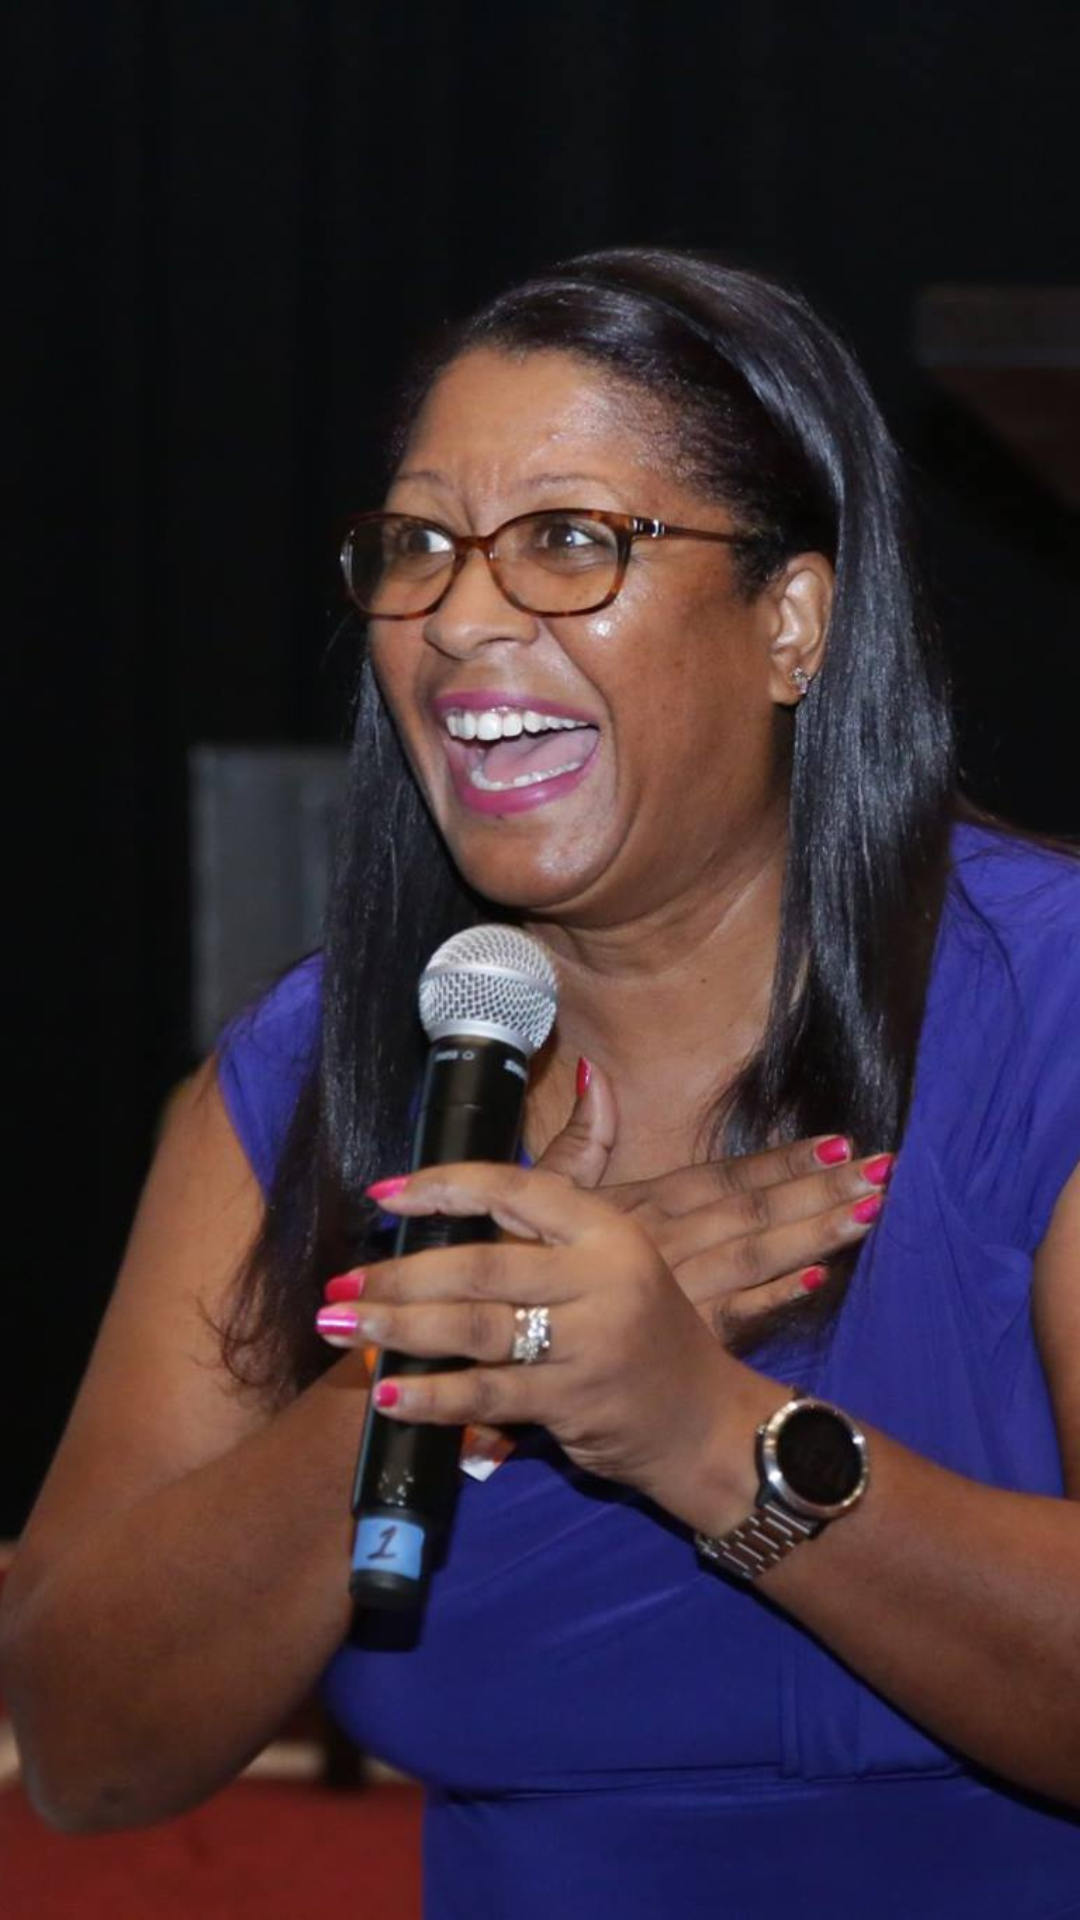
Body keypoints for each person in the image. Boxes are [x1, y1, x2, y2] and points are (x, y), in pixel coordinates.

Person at [4, 246, 1080, 1919]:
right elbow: (85, 1750)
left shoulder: (1055, 1010)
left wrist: (701, 1428)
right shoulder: (301, 1076)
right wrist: (445, 1368)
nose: (463, 616)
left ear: (792, 621)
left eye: (572, 542)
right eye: (416, 548)